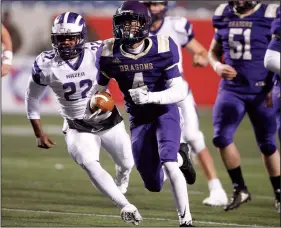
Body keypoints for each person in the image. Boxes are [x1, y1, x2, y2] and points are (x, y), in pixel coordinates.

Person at [25, 12, 142, 225]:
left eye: (71, 37)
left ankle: (122, 176)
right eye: (62, 38)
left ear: (82, 37)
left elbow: (131, 45)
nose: (67, 42)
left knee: (127, 162)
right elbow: (32, 97)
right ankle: (125, 205)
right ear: (54, 39)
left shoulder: (98, 51)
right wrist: (38, 132)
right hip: (76, 124)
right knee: (89, 163)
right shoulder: (45, 63)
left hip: (107, 118)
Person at [94, 1, 195, 227]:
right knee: (153, 184)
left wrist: (151, 97)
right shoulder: (108, 52)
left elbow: (180, 90)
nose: (127, 28)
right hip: (138, 117)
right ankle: (182, 156)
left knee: (168, 163)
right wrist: (97, 103)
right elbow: (99, 90)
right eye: (123, 23)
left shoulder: (163, 46)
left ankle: (186, 220)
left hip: (164, 110)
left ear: (144, 24)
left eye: (133, 23)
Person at [142, 1, 228, 207]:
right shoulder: (136, 29)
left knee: (193, 136)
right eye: (151, 4)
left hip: (178, 90)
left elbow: (200, 52)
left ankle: (217, 189)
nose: (155, 8)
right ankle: (175, 165)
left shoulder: (176, 25)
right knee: (154, 138)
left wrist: (200, 58)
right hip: (152, 93)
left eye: (158, 3)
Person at [208, 0, 280, 212]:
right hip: (232, 89)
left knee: (268, 144)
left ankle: (279, 192)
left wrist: (274, 86)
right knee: (221, 137)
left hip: (263, 90)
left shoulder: (271, 13)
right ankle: (240, 188)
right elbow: (213, 51)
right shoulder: (223, 12)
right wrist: (217, 65)